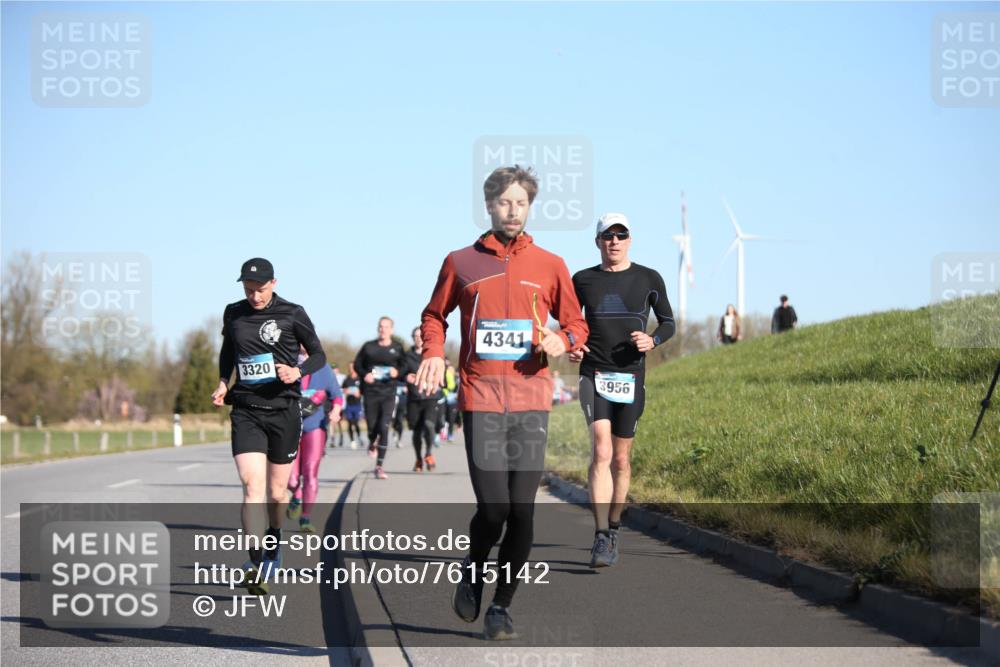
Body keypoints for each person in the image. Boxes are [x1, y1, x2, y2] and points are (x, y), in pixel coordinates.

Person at [415, 165, 589, 640]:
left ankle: (501, 607)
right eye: (504, 203)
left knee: (523, 512)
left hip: (531, 400)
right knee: (494, 510)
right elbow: (434, 315)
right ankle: (473, 567)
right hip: (482, 399)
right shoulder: (461, 262)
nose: (512, 211)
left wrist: (563, 337)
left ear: (530, 208)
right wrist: (433, 352)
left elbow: (577, 324)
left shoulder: (550, 264)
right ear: (489, 205)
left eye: (521, 204)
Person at [211, 257, 327, 594]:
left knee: (276, 493)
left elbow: (319, 354)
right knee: (251, 485)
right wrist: (222, 382)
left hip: (284, 410)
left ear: (274, 283)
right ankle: (256, 561)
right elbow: (227, 352)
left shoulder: (293, 313)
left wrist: (298, 373)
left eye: (260, 290)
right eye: (248, 290)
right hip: (246, 409)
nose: (255, 297)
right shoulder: (233, 312)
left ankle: (274, 545)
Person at [570, 213, 675, 568]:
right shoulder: (582, 279)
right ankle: (600, 536)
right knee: (600, 451)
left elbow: (669, 322)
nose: (614, 241)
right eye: (607, 236)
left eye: (621, 235)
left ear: (630, 239)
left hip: (631, 376)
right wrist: (573, 343)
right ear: (598, 242)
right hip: (593, 372)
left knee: (621, 459)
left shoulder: (649, 278)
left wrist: (653, 339)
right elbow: (572, 322)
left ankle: (614, 526)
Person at [286, 346, 343, 533]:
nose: (303, 349)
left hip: (314, 427)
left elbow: (337, 396)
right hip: (289, 428)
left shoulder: (323, 368)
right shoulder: (286, 363)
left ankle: (305, 517)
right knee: (291, 478)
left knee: (310, 472)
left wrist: (335, 411)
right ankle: (297, 494)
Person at [353, 316, 405, 479]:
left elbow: (404, 366)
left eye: (387, 327)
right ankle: (371, 441)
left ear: (392, 330)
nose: (383, 329)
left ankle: (379, 466)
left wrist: (398, 372)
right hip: (371, 392)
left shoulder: (397, 348)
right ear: (378, 329)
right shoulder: (369, 347)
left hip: (388, 392)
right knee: (372, 427)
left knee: (384, 426)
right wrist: (364, 375)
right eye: (381, 327)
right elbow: (357, 364)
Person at [401, 326, 443, 471]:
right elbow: (400, 373)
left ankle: (429, 454)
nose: (418, 339)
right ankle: (418, 459)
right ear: (412, 338)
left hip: (431, 396)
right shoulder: (407, 356)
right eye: (415, 336)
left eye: (421, 336)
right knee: (417, 431)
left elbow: (440, 370)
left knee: (429, 425)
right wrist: (406, 377)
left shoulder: (432, 354)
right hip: (414, 398)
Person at [341, 364, 363, 449]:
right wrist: (345, 391)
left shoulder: (359, 379)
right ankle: (352, 440)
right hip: (349, 404)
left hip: (357, 404)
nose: (351, 369)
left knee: (356, 423)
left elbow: (364, 390)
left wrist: (360, 393)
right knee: (350, 422)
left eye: (352, 368)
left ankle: (359, 437)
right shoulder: (347, 379)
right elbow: (342, 389)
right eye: (350, 368)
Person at [330, 363, 347, 447]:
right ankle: (332, 440)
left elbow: (347, 388)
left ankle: (341, 436)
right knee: (332, 422)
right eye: (332, 369)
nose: (333, 370)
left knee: (339, 422)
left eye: (335, 368)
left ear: (338, 369)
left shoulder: (343, 377)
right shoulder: (329, 377)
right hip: (331, 403)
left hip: (341, 404)